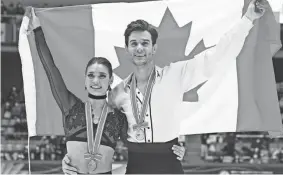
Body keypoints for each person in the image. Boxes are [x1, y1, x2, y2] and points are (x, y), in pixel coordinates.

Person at [63, 0, 268, 173]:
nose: (139, 48)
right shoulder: (117, 94)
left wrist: (248, 20)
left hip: (169, 162)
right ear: (127, 49)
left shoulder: (176, 75)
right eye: (134, 43)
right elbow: (99, 130)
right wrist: (70, 159)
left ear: (154, 47)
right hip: (136, 165)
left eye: (145, 42)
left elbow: (217, 57)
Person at [28, 8, 185, 174]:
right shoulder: (70, 108)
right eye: (91, 75)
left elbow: (144, 145)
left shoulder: (118, 118)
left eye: (102, 75)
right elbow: (50, 70)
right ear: (85, 79)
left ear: (110, 80)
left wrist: (172, 150)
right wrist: (37, 31)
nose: (96, 81)